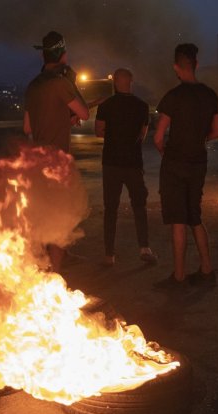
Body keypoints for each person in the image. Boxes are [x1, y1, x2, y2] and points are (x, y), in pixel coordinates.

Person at [152, 43, 218, 289]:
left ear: (176, 67)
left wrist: (165, 152)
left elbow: (158, 137)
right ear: (196, 65)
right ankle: (206, 269)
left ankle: (179, 277)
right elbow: (217, 131)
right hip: (198, 163)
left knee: (178, 221)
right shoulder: (209, 94)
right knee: (195, 216)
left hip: (174, 164)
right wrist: (199, 139)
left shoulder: (173, 96)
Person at [23, 31, 89, 272]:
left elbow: (27, 127)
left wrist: (62, 119)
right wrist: (71, 83)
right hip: (57, 163)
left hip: (36, 162)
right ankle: (55, 276)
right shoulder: (61, 84)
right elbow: (84, 113)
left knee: (42, 216)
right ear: (63, 55)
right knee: (60, 218)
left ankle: (38, 271)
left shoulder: (33, 86)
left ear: (43, 55)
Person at [94, 68, 157, 267]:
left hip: (111, 163)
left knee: (110, 208)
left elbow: (98, 131)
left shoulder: (106, 105)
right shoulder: (141, 106)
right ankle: (144, 248)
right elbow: (143, 134)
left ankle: (108, 255)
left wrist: (114, 136)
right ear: (131, 81)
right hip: (133, 163)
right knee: (139, 205)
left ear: (115, 83)